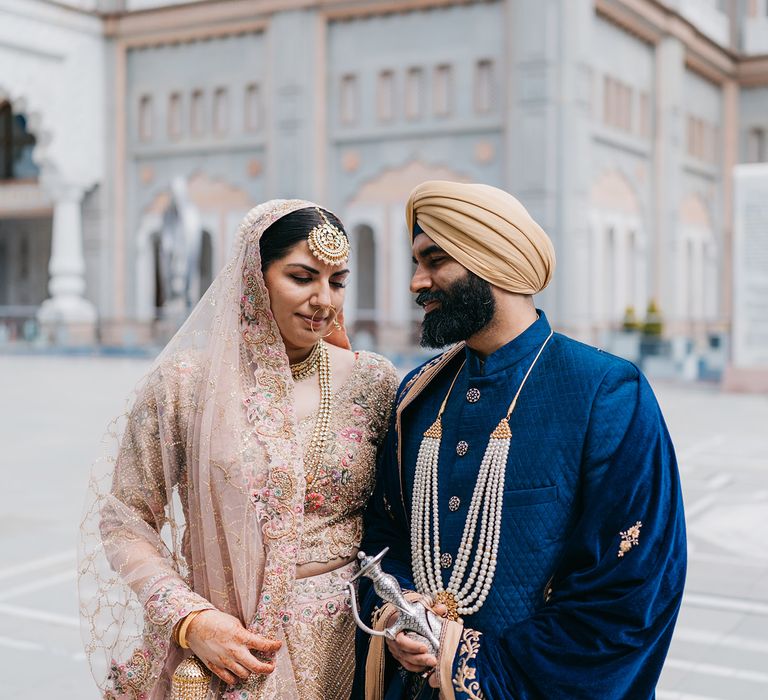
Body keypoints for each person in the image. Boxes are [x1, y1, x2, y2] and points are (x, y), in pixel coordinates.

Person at [352, 181, 687, 700]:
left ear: (492, 259)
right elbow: (383, 529)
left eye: (434, 259)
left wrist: (469, 660)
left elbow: (630, 587)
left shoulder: (605, 392)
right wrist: (400, 612)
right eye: (416, 262)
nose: (417, 282)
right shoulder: (418, 394)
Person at [79, 200, 398, 699]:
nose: (324, 300)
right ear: (255, 275)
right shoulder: (186, 384)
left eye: (337, 282)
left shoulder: (372, 381)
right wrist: (192, 620)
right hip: (225, 648)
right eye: (301, 277)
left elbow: (396, 520)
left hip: (346, 646)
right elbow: (125, 519)